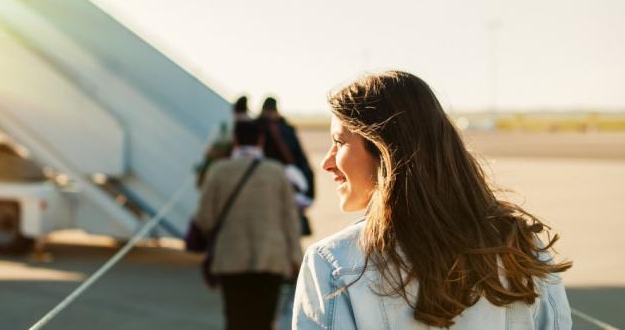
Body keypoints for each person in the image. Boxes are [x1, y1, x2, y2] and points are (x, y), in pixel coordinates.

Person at [293, 71, 573, 329]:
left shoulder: (334, 264)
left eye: (340, 142)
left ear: (385, 148)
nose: (326, 163)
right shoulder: (522, 247)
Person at [194, 120, 302, 330]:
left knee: (236, 319)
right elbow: (290, 219)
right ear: (261, 141)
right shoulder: (277, 172)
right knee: (263, 320)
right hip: (271, 258)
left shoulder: (218, 171)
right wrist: (296, 257)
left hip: (231, 258)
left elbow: (204, 218)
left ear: (235, 141)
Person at [196, 95, 251, 187]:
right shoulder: (250, 128)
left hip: (218, 169)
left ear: (234, 109)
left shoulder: (225, 128)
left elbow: (209, 150)